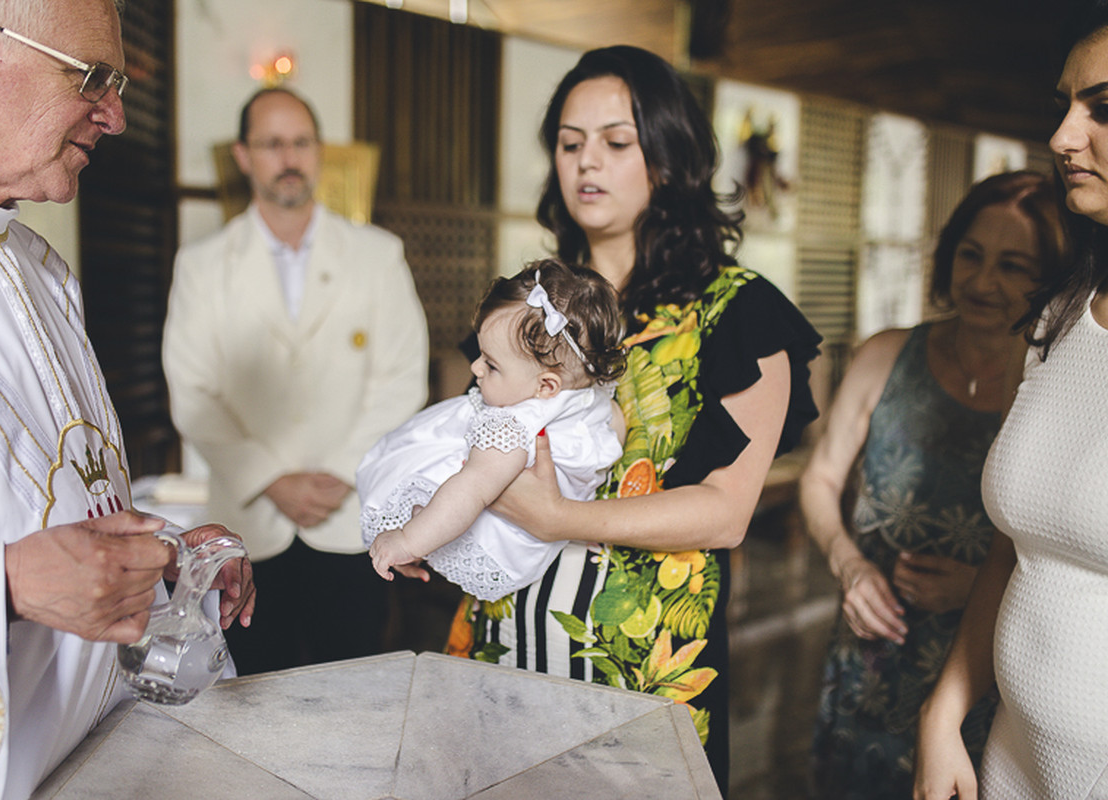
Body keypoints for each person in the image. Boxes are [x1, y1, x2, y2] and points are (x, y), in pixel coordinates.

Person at [446, 45, 822, 794]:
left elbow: (725, 512)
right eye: (570, 142)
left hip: (641, 669)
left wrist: (559, 518)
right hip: (503, 637)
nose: (589, 162)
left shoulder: (738, 312)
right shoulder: (530, 306)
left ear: (667, 158)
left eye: (617, 143)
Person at [0, 2, 254, 797]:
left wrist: (165, 552)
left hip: (112, 753)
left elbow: (27, 492)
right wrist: (6, 585)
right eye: (93, 77)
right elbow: (13, 558)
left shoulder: (36, 263)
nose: (117, 116)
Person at [800, 171, 1066, 799]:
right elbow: (819, 478)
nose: (981, 282)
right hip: (868, 656)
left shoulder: (1052, 389)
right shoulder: (885, 355)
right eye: (971, 256)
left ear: (1051, 276)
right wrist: (850, 567)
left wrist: (986, 590)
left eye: (1013, 265)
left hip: (986, 677)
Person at [163, 87, 429, 674]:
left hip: (349, 520)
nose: (289, 157)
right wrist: (273, 478)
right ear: (243, 155)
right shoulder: (202, 265)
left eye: (301, 142)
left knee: (359, 689)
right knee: (251, 698)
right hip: (249, 526)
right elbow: (193, 391)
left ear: (320, 152)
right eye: (272, 143)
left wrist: (338, 469)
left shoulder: (378, 254)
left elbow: (402, 377)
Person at [915, 4, 1108, 797]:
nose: (1063, 136)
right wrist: (943, 715)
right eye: (1062, 105)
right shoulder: (1061, 317)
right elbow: (1013, 551)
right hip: (1012, 754)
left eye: (1102, 108)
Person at [359, 260, 627, 601]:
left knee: (423, 475)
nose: (475, 368)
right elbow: (611, 438)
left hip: (488, 531)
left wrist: (409, 541)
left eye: (491, 364)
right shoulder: (595, 400)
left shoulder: (513, 424)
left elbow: (469, 491)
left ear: (546, 386)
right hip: (535, 548)